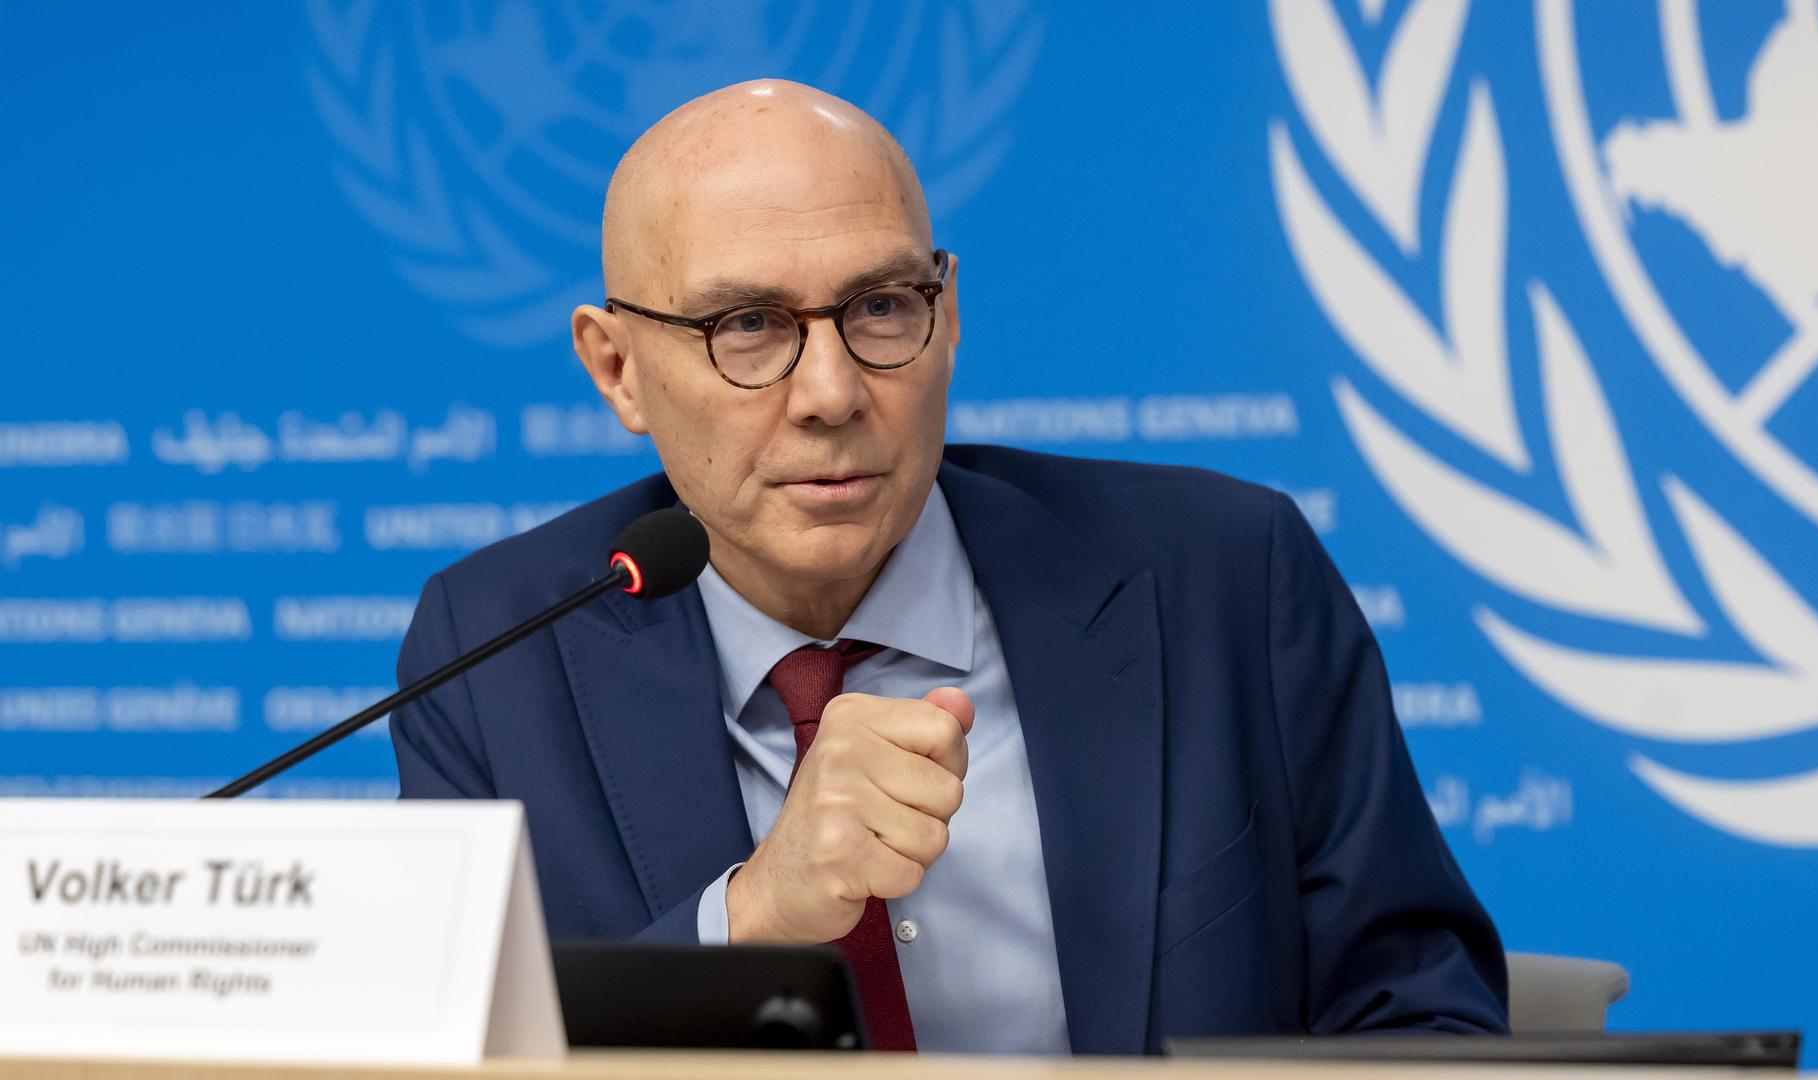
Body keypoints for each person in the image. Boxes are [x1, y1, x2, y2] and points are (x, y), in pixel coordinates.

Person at [392, 79, 1507, 1054]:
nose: (831, 394)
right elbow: (452, 1049)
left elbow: (1420, 1019)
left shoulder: (1227, 581)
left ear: (949, 310)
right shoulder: (490, 657)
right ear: (619, 368)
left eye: (881, 307)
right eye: (747, 325)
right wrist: (751, 920)